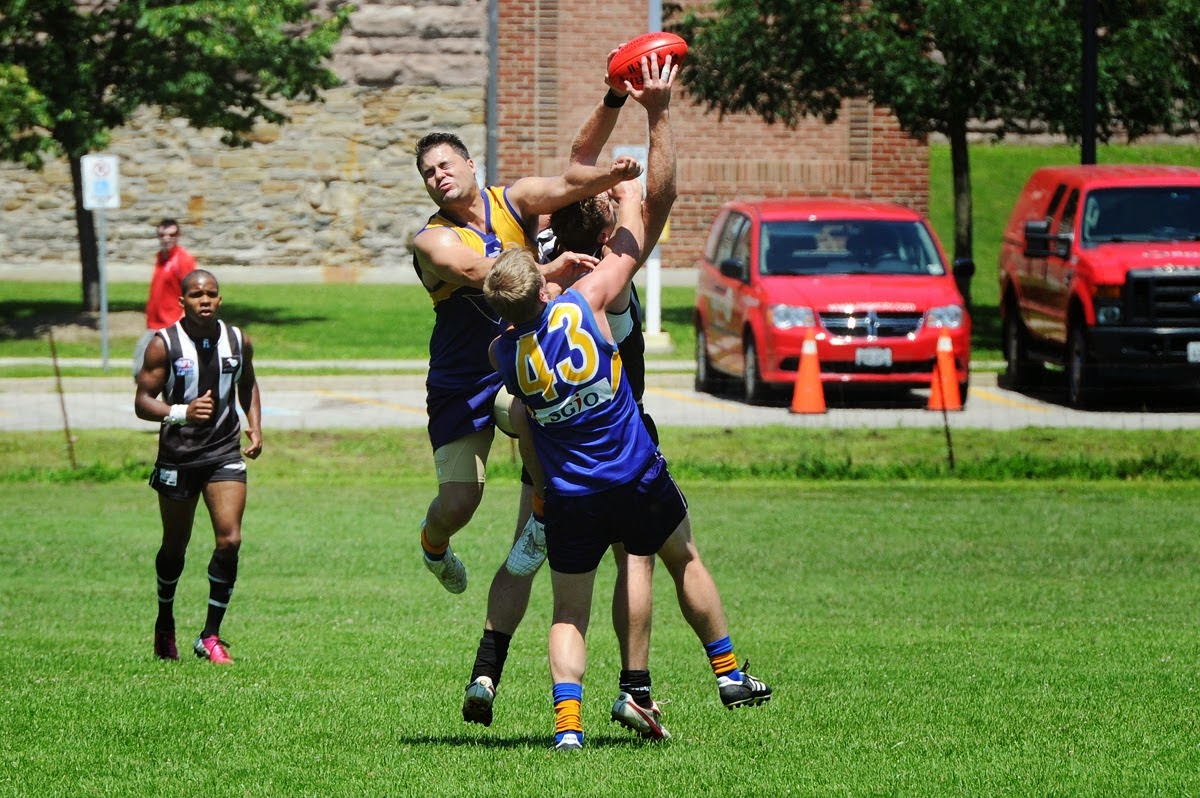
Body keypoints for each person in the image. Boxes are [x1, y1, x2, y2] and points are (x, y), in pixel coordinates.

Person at [483, 176, 772, 749]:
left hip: (573, 494)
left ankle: (568, 729)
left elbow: (518, 397)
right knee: (683, 557)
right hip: (635, 474)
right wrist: (630, 193)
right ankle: (729, 672)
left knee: (568, 610)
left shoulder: (502, 354)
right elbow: (629, 245)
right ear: (542, 291)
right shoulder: (581, 305)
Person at [460, 52, 678, 738]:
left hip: (543, 453)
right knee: (629, 562)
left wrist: (611, 98)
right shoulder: (602, 287)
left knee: (525, 554)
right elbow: (650, 195)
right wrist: (648, 119)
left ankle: (486, 671)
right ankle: (635, 686)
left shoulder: (542, 277)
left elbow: (579, 162)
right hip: (606, 455)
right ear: (608, 227)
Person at [412, 131, 642, 597]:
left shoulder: (513, 200)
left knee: (525, 410)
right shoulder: (432, 239)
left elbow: (566, 187)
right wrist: (549, 271)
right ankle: (433, 547)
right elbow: (476, 271)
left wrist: (611, 175)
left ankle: (541, 515)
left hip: (513, 361)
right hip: (459, 380)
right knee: (458, 504)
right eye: (429, 173)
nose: (438, 176)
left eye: (445, 165)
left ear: (471, 165)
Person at [134, 269, 263, 665]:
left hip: (224, 452)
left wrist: (254, 424)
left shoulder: (237, 340)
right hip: (179, 456)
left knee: (230, 540)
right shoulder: (163, 344)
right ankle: (165, 622)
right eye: (196, 294)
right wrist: (181, 412)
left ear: (219, 300)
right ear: (182, 301)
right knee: (175, 547)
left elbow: (248, 384)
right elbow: (142, 401)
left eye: (211, 294)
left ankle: (210, 635)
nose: (204, 300)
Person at [132, 219, 196, 379]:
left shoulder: (182, 260)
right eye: (162, 235)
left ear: (178, 236)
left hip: (172, 325)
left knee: (170, 375)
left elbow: (192, 291)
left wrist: (184, 320)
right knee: (141, 373)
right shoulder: (161, 257)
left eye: (172, 235)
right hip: (155, 324)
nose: (167, 239)